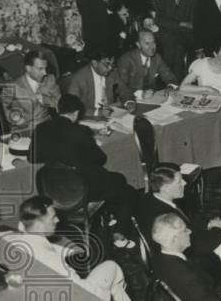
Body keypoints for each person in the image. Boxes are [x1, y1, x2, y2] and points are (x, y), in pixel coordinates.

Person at [0, 195, 142, 301]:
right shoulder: (52, 261)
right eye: (52, 218)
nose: (58, 219)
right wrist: (107, 296)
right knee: (112, 268)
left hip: (34, 295)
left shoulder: (9, 239)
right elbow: (83, 291)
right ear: (38, 225)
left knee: (117, 291)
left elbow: (29, 237)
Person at [29, 93, 139, 234]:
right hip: (81, 189)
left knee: (116, 181)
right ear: (76, 113)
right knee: (125, 188)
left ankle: (107, 220)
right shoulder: (81, 131)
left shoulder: (41, 128)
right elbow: (100, 159)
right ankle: (119, 232)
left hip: (53, 190)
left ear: (58, 110)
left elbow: (32, 158)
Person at [136, 163, 221, 260]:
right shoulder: (167, 217)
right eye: (179, 181)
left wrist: (208, 224)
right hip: (188, 257)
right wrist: (217, 228)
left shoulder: (150, 198)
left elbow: (188, 221)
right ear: (166, 188)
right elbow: (198, 247)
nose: (185, 183)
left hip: (183, 242)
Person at [3, 50, 61, 134]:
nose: (44, 73)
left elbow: (59, 103)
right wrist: (14, 117)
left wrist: (43, 99)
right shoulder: (13, 85)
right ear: (28, 68)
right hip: (22, 129)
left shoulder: (50, 79)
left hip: (46, 126)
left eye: (45, 68)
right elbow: (3, 107)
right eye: (40, 69)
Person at [154, 0, 197, 80]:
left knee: (178, 47)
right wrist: (180, 23)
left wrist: (173, 24)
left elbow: (192, 23)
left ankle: (176, 82)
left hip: (184, 35)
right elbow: (158, 19)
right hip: (166, 34)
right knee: (169, 45)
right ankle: (170, 82)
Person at [114, 30, 178, 102]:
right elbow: (121, 88)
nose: (152, 47)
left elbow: (171, 78)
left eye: (153, 42)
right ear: (138, 45)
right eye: (147, 43)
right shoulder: (126, 59)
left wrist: (170, 87)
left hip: (150, 100)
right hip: (129, 101)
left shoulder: (157, 58)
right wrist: (141, 94)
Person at [64, 48, 118, 119]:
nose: (110, 68)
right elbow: (71, 106)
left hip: (110, 116)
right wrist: (97, 112)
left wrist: (129, 102)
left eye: (112, 64)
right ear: (94, 63)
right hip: (88, 118)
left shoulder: (112, 72)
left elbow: (123, 89)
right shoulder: (79, 78)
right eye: (107, 64)